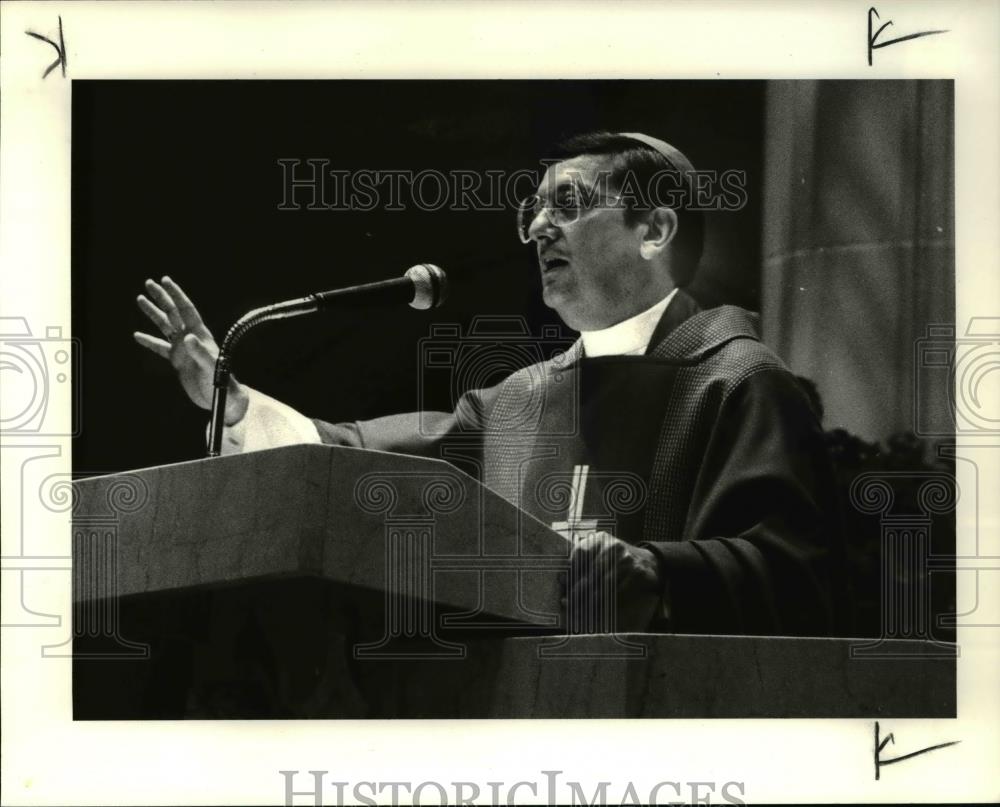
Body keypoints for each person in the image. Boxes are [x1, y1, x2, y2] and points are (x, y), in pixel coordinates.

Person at [135, 131, 847, 637]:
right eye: (531, 211)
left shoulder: (737, 381)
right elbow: (347, 458)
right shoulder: (517, 401)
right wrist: (237, 405)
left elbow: (797, 574)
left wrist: (657, 573)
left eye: (566, 204)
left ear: (655, 229)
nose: (538, 227)